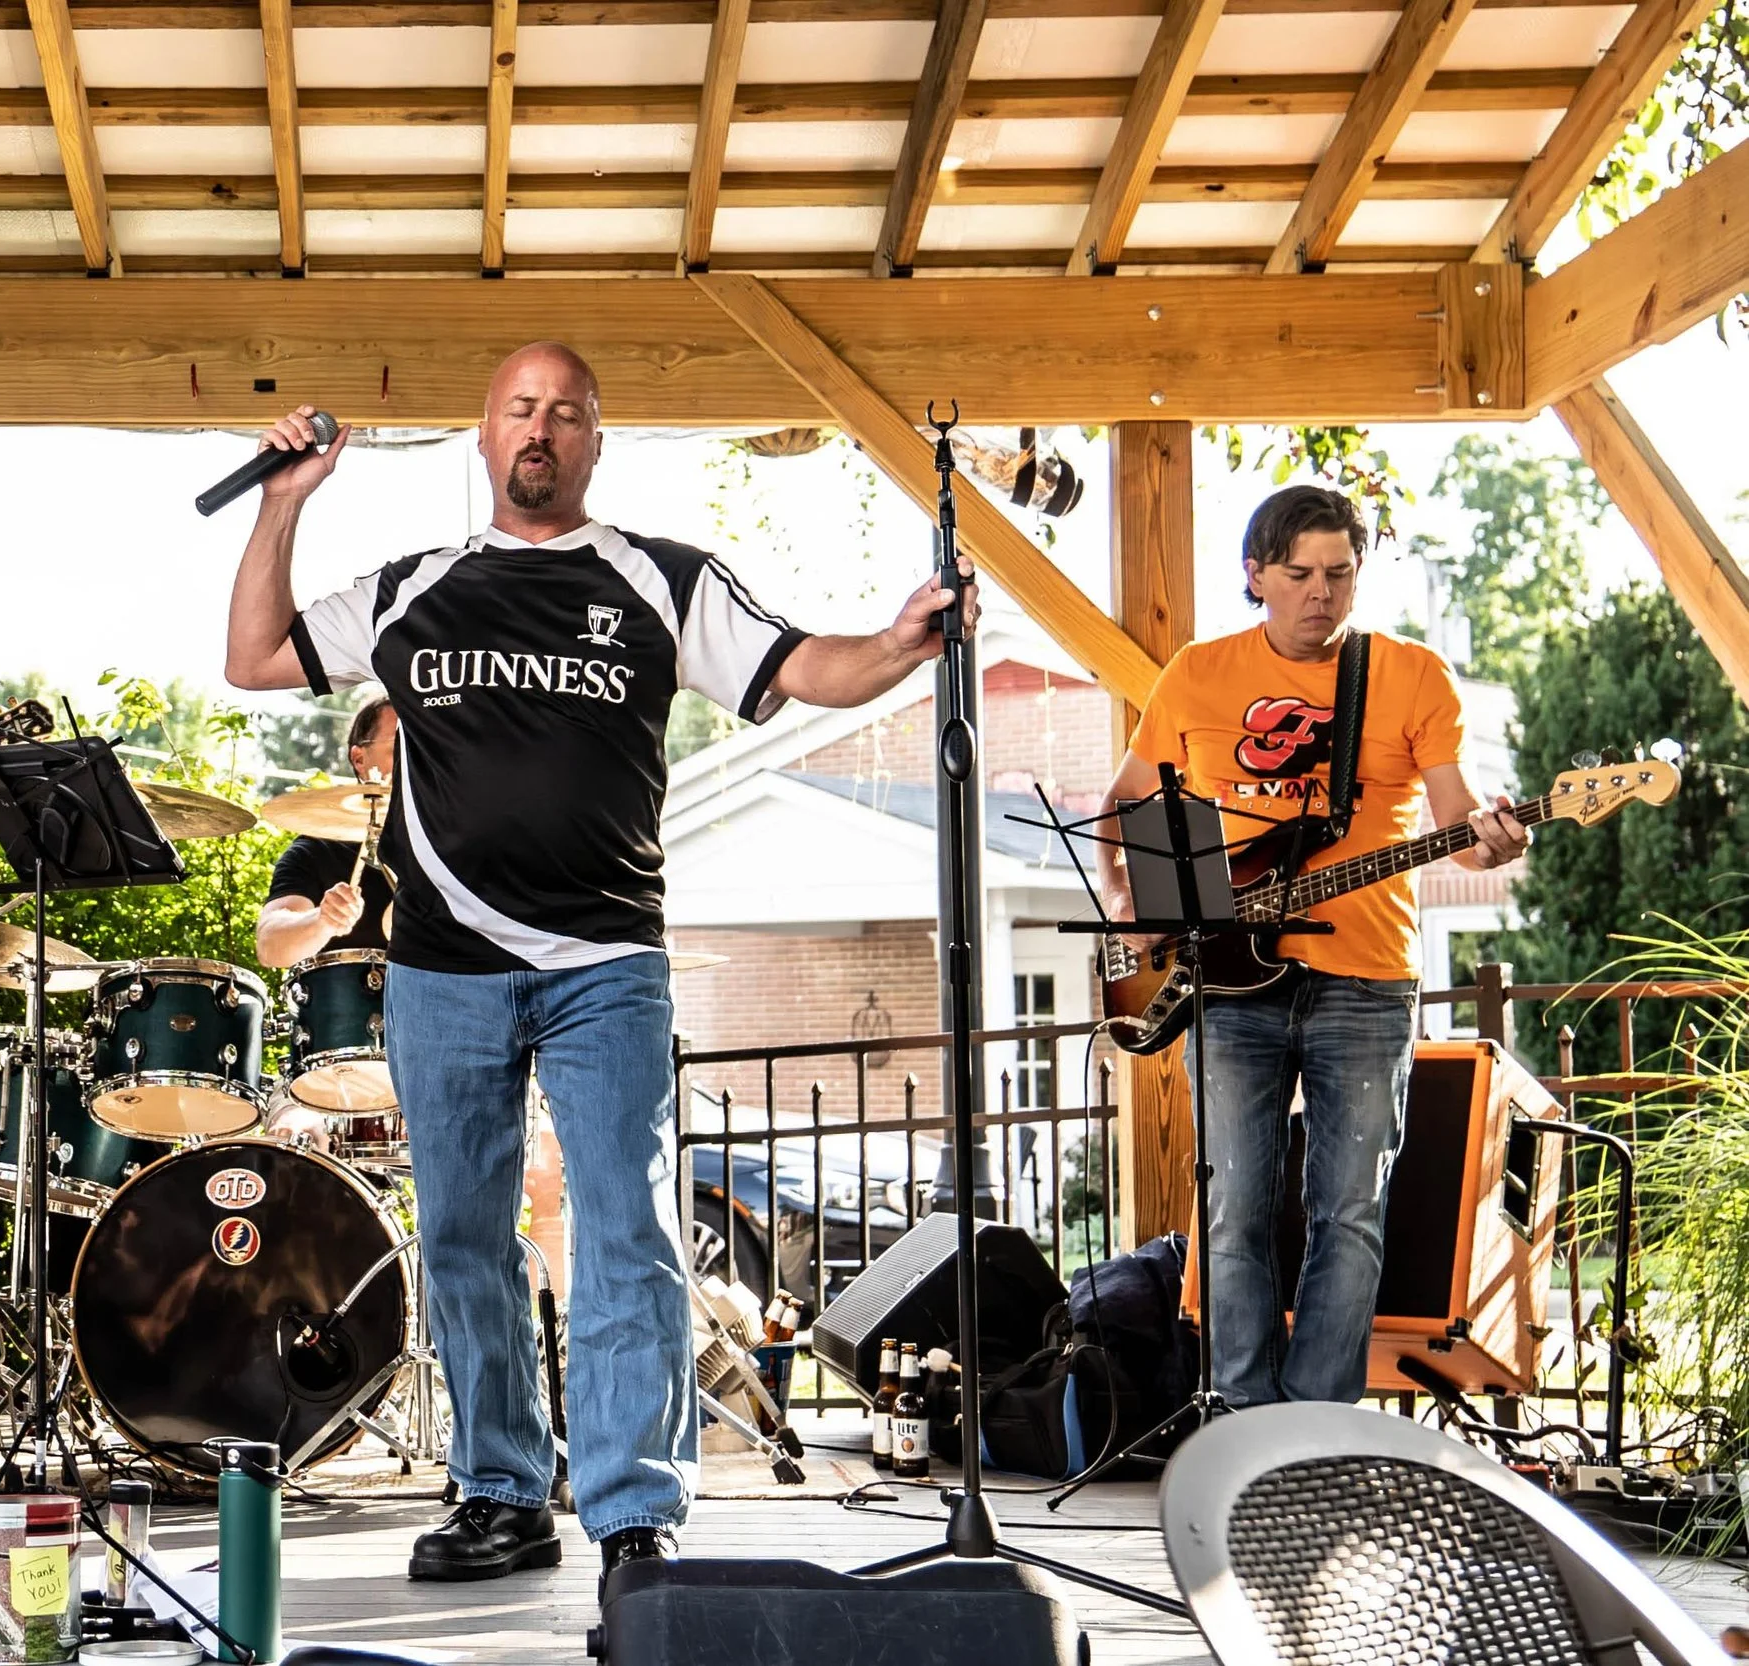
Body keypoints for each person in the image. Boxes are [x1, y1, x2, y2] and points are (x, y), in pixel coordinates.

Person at [222, 342, 979, 1589]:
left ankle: (634, 1512)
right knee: (466, 1237)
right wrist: (284, 505)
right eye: (519, 408)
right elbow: (253, 658)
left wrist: (902, 639)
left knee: (626, 1231)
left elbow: (809, 666)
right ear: (483, 434)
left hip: (604, 962)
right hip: (443, 966)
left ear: (593, 442)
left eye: (565, 414)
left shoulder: (661, 578)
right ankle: (501, 1491)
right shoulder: (418, 586)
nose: (541, 430)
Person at [1097, 484, 1528, 1407]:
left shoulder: (1411, 675)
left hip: (1367, 981)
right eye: (1298, 574)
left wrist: (1490, 833)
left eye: (1339, 573)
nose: (1320, 593)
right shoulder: (1197, 674)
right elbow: (1126, 808)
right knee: (1234, 1213)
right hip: (1225, 987)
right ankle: (1245, 1423)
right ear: (1256, 576)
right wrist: (1140, 919)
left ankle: (1316, 1429)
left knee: (1352, 1215)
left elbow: (1455, 814)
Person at [255, 694, 397, 970]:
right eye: (400, 747)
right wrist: (322, 920)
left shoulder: (456, 847)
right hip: (346, 1011)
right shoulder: (316, 851)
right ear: (359, 758)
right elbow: (270, 946)